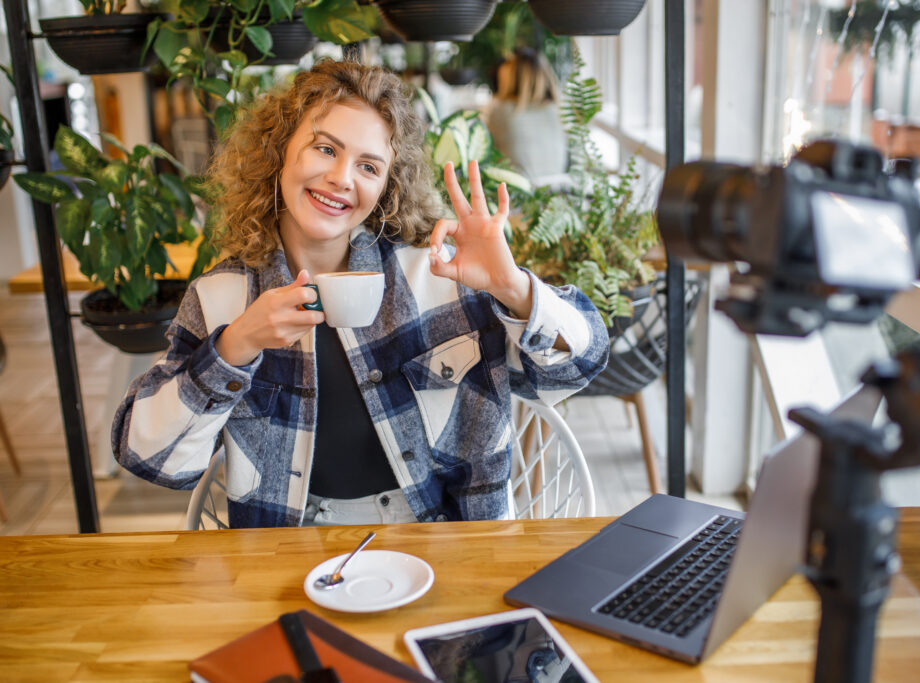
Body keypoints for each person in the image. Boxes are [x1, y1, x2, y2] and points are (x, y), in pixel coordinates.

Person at [111, 60, 609, 529]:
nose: (342, 179)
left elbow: (576, 369)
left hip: (445, 542)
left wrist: (513, 288)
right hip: (290, 549)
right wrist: (234, 347)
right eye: (325, 149)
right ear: (279, 149)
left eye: (369, 167)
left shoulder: (436, 275)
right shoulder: (222, 297)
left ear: (387, 186)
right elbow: (152, 460)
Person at [487, 48, 569, 186]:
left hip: (517, 199)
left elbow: (487, 156)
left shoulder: (501, 110)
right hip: (556, 196)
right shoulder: (561, 110)